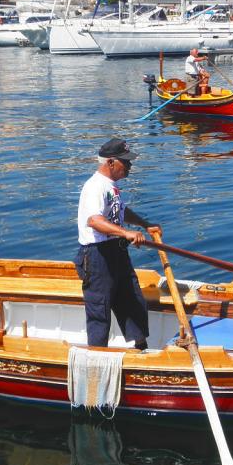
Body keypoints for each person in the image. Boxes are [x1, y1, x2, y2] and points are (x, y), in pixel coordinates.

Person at [75, 138, 160, 350]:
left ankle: (141, 349)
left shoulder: (111, 187)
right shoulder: (94, 186)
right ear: (111, 162)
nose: (130, 166)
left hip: (117, 253)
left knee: (132, 300)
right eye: (126, 162)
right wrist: (126, 233)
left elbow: (119, 212)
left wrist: (145, 224)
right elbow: (94, 221)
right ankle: (97, 356)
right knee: (100, 310)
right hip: (97, 256)